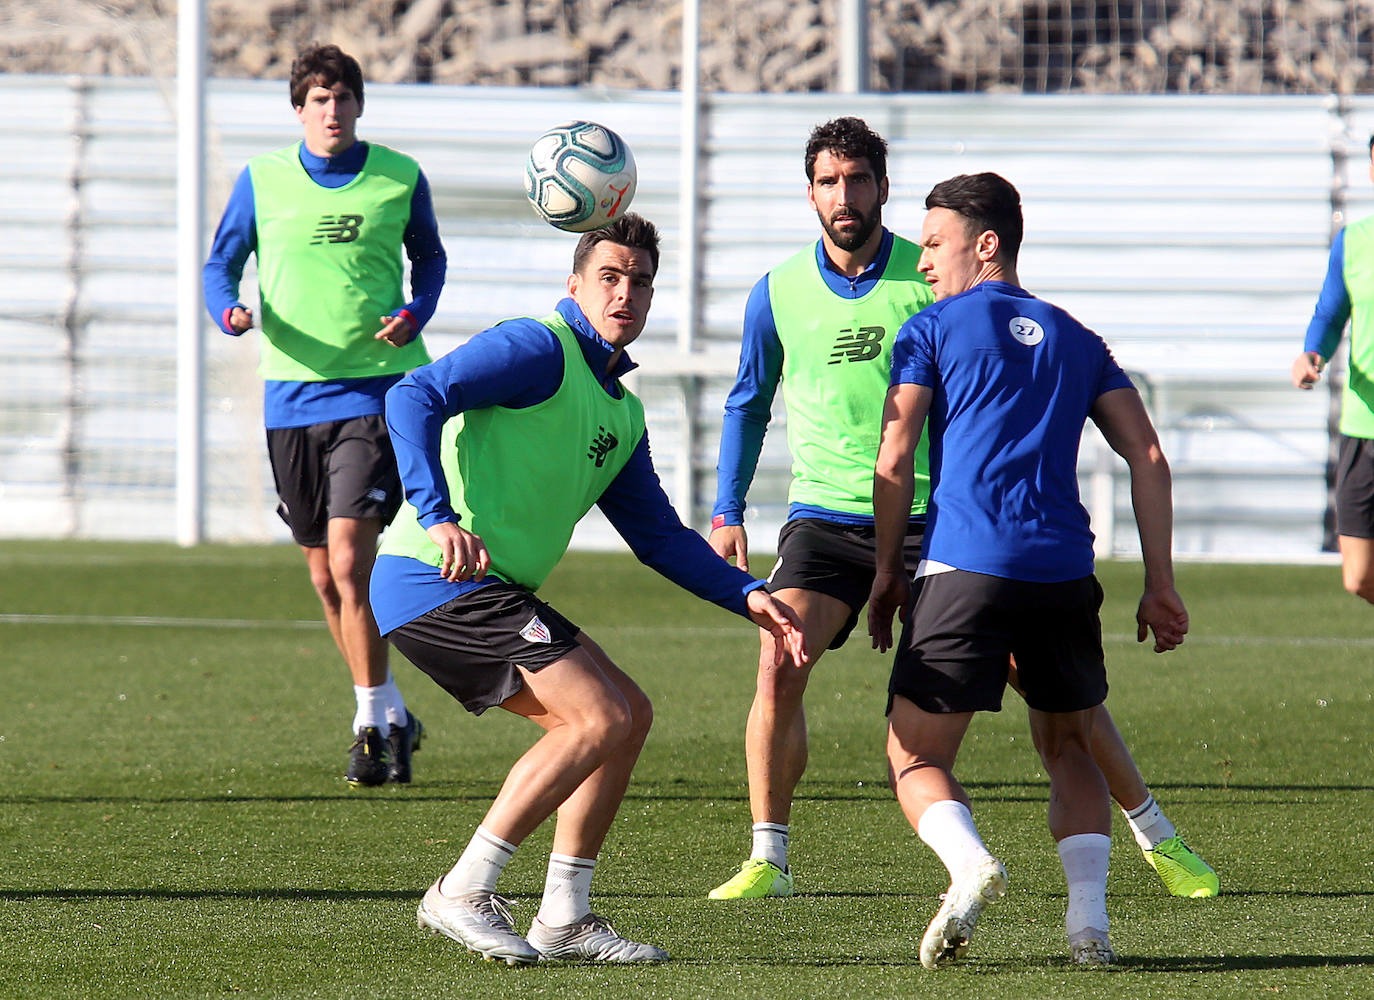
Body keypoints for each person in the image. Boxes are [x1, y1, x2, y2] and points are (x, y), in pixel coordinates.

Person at [706, 118, 1216, 903]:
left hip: (946, 518)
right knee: (779, 660)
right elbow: (748, 402)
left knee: (1057, 696)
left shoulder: (936, 273)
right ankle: (768, 856)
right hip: (829, 517)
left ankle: (1157, 834)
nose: (844, 196)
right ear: (808, 192)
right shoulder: (775, 291)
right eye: (828, 182)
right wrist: (725, 506)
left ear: (883, 184)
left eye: (859, 179)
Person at [370, 213, 808, 965]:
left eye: (639, 281)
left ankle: (564, 917)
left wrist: (746, 592)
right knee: (596, 715)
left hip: (491, 590)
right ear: (576, 284)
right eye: (609, 276)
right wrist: (438, 516)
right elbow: (413, 395)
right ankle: (463, 888)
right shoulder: (538, 346)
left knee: (627, 715)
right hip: (432, 578)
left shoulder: (621, 409)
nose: (625, 293)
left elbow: (660, 537)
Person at [867, 172, 1190, 967]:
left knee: (916, 758)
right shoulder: (1078, 337)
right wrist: (1159, 582)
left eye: (934, 244)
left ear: (987, 245)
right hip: (1061, 572)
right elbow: (1146, 454)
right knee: (1068, 748)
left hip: (963, 567)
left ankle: (968, 862)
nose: (922, 263)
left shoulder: (932, 329)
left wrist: (884, 573)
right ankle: (1089, 931)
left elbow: (896, 454)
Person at [203, 43, 445, 788]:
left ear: (359, 105)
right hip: (290, 396)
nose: (331, 111)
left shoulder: (398, 177)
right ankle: (392, 710)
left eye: (341, 98)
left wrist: (415, 312)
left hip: (377, 393)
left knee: (350, 560)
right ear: (298, 109)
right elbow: (220, 263)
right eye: (316, 99)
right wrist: (229, 311)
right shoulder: (263, 179)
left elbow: (429, 260)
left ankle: (369, 728)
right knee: (323, 577)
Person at [1294, 134, 1374, 603]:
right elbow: (1330, 313)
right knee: (1358, 577)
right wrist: (1311, 353)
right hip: (1362, 428)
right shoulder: (1355, 242)